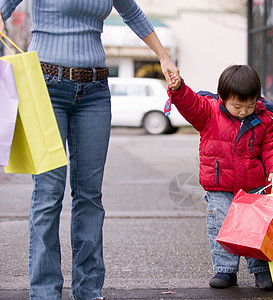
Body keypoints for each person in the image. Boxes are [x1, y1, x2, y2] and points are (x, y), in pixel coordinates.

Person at [0, 1, 178, 299]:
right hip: (44, 85)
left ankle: (88, 290)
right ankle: (45, 292)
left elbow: (131, 12)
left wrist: (164, 56)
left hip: (95, 90)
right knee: (48, 193)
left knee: (90, 195)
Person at [167, 65, 273, 290]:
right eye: (237, 106)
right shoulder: (209, 112)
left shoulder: (265, 118)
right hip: (219, 186)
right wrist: (178, 88)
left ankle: (261, 271)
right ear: (222, 97)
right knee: (220, 226)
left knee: (257, 229)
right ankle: (225, 270)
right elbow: (190, 103)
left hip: (255, 187)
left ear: (257, 99)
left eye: (250, 105)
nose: (244, 111)